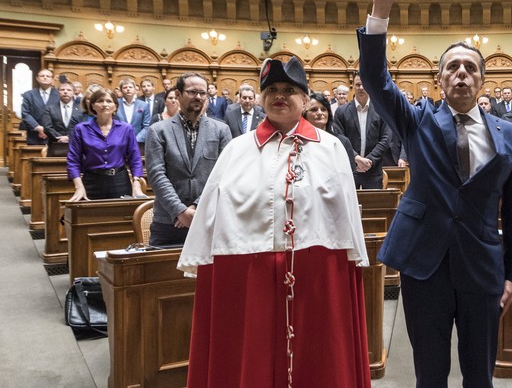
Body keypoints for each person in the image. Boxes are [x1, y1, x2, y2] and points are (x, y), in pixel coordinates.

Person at [357, 0, 512, 387]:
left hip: (482, 268)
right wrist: (380, 13)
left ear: (483, 81)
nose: (462, 74)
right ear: (439, 79)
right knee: (429, 374)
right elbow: (376, 79)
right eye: (452, 67)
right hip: (423, 265)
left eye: (470, 68)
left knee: (479, 376)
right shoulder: (416, 121)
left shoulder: (509, 135)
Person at [178, 57, 370, 387]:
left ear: (306, 99)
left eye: (289, 90)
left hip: (319, 276)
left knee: (321, 360)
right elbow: (209, 218)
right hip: (248, 276)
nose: (279, 95)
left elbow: (347, 219)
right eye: (272, 90)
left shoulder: (332, 148)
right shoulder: (237, 150)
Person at [147, 73, 232, 247]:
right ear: (178, 95)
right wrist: (179, 211)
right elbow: (157, 175)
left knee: (207, 274)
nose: (198, 97)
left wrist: (195, 208)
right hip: (168, 222)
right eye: (192, 92)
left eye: (202, 93)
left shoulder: (221, 130)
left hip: (209, 218)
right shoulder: (158, 130)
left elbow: (225, 174)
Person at [67, 88, 145, 201]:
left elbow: (135, 157)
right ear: (93, 106)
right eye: (100, 101)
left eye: (109, 101)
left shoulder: (126, 128)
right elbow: (73, 160)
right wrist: (79, 187)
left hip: (119, 181)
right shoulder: (81, 129)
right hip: (91, 181)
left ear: (115, 106)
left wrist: (136, 184)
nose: (104, 104)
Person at [333, 73, 391, 189]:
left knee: (373, 206)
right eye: (358, 85)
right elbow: (339, 138)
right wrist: (356, 158)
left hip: (373, 171)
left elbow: (386, 139)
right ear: (353, 86)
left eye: (364, 84)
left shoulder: (381, 110)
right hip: (349, 170)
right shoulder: (341, 111)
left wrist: (369, 160)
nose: (361, 88)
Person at [303, 92, 355, 171]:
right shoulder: (299, 141)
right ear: (305, 115)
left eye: (323, 109)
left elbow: (350, 173)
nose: (320, 113)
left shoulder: (342, 142)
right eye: (314, 109)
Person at [40, 81, 84, 157]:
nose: (65, 92)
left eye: (69, 90)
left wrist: (69, 138)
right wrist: (60, 138)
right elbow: (47, 127)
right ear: (58, 92)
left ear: (73, 93)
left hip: (76, 146)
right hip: (55, 146)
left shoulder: (81, 109)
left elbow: (83, 126)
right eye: (62, 90)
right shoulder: (50, 108)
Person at [19, 69, 59, 145]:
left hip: (54, 135)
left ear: (52, 79)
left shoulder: (59, 95)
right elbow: (25, 113)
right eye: (42, 76)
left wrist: (48, 129)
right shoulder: (29, 94)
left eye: (48, 76)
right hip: (34, 135)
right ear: (37, 78)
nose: (45, 77)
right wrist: (37, 127)